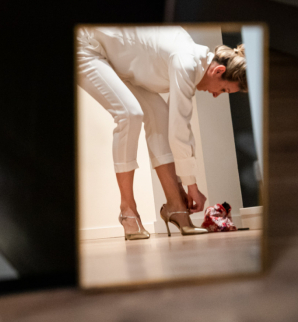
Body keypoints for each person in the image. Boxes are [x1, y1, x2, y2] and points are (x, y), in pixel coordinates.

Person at [77, 26, 248, 240]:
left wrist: (184, 184)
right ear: (218, 71)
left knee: (160, 117)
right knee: (129, 114)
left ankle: (176, 208)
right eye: (223, 90)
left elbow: (174, 126)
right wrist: (191, 186)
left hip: (119, 63)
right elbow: (180, 131)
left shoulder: (190, 58)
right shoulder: (185, 62)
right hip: (86, 46)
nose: (216, 95)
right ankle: (127, 211)